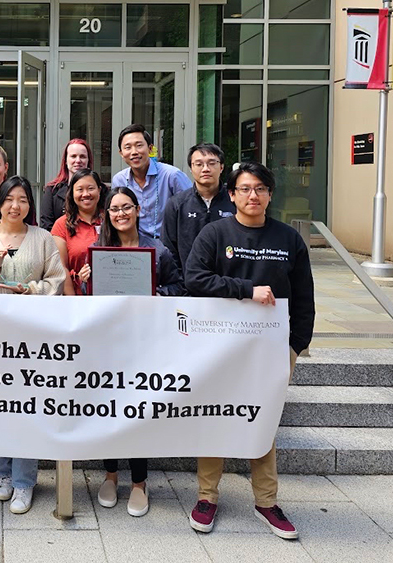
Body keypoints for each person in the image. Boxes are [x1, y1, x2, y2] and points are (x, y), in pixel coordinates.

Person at [183, 161, 315, 540]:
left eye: (259, 188)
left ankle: (267, 502)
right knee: (216, 416)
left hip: (271, 350)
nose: (252, 195)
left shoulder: (288, 239)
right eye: (245, 189)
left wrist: (296, 346)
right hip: (221, 346)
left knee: (263, 420)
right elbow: (195, 278)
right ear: (232, 195)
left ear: (270, 194)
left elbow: (304, 298)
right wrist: (245, 289)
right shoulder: (215, 233)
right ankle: (207, 497)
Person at [75, 187, 182, 517]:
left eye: (126, 207)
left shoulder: (157, 249)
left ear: (137, 210)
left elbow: (178, 287)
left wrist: (154, 291)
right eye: (114, 209)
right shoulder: (98, 250)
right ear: (106, 214)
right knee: (109, 409)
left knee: (137, 412)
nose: (120, 214)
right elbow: (89, 300)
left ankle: (139, 483)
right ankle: (110, 475)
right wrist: (83, 281)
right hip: (109, 342)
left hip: (144, 342)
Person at [0, 176, 66, 514]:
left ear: (30, 205)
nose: (15, 205)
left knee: (28, 405)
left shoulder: (43, 239)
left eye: (23, 199)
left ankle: (25, 481)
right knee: (0, 404)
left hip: (33, 334)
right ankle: (3, 473)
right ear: (0, 203)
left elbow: (57, 280)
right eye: (10, 199)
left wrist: (32, 290)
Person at [160, 143, 236, 289]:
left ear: (221, 167)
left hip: (230, 287)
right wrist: (182, 282)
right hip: (188, 287)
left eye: (212, 163)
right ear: (191, 168)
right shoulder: (177, 204)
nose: (205, 169)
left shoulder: (235, 201)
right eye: (199, 164)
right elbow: (169, 250)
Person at [110, 124, 192, 240]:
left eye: (139, 145)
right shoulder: (119, 180)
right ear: (121, 153)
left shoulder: (172, 175)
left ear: (150, 148)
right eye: (128, 147)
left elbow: (191, 210)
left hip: (169, 245)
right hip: (136, 246)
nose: (134, 152)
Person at [51, 169, 105, 295]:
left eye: (91, 188)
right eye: (80, 189)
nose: (85, 194)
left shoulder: (110, 220)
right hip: (76, 295)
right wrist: (72, 302)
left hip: (109, 297)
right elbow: (61, 269)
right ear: (72, 193)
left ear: (99, 190)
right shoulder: (61, 225)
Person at [40, 139, 94, 231]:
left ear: (88, 160)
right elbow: (46, 226)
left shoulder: (101, 190)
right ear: (65, 160)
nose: (78, 160)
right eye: (73, 156)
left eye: (82, 156)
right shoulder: (52, 191)